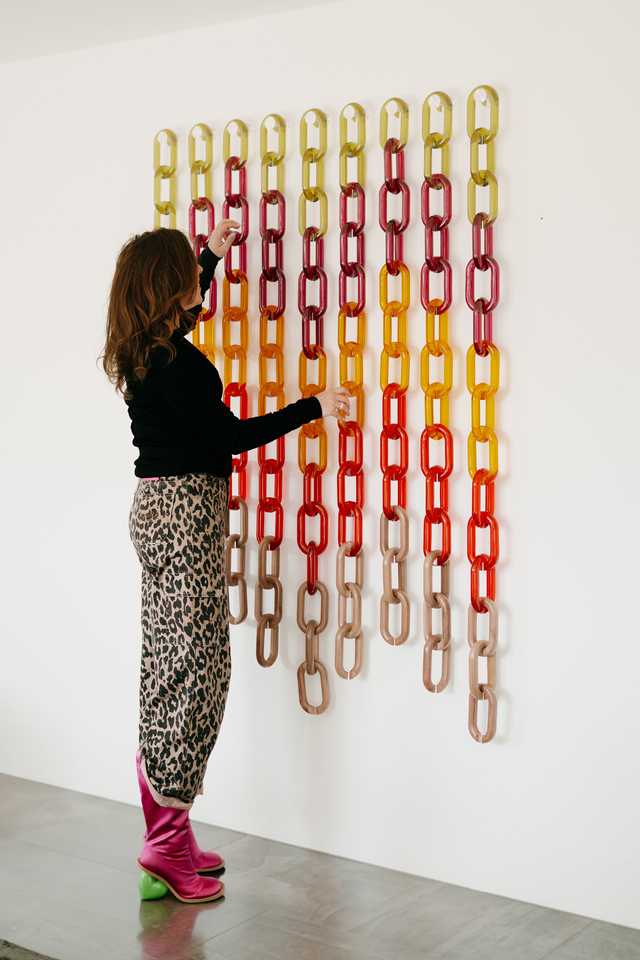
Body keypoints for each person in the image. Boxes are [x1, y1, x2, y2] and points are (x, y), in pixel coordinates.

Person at [100, 220, 349, 904]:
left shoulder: (144, 347)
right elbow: (231, 436)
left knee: (167, 667)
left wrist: (209, 256)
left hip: (159, 510)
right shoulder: (176, 366)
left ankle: (169, 831)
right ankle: (165, 844)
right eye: (188, 274)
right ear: (168, 288)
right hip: (186, 516)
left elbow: (184, 319)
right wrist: (312, 407)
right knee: (199, 671)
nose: (196, 285)